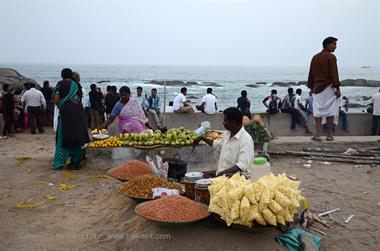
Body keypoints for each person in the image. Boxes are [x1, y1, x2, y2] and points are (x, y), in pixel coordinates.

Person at [193, 107, 254, 176]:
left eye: (225, 121)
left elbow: (242, 165)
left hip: (236, 180)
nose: (223, 123)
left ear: (233, 122)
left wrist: (222, 173)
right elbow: (218, 145)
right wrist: (202, 138)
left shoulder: (246, 139)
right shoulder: (227, 134)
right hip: (222, 175)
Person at [52, 68, 89, 170]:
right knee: (77, 136)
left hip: (66, 115)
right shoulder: (77, 86)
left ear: (62, 75)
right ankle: (75, 161)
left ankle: (59, 163)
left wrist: (60, 104)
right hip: (79, 114)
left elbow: (55, 100)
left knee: (62, 137)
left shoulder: (60, 84)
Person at [308, 37, 341, 141]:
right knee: (331, 111)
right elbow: (334, 73)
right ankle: (329, 135)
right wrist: (337, 88)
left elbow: (311, 74)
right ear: (327, 44)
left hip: (317, 88)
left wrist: (311, 87)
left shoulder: (315, 57)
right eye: (334, 44)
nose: (335, 47)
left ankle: (318, 135)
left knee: (317, 111)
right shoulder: (331, 57)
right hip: (328, 88)